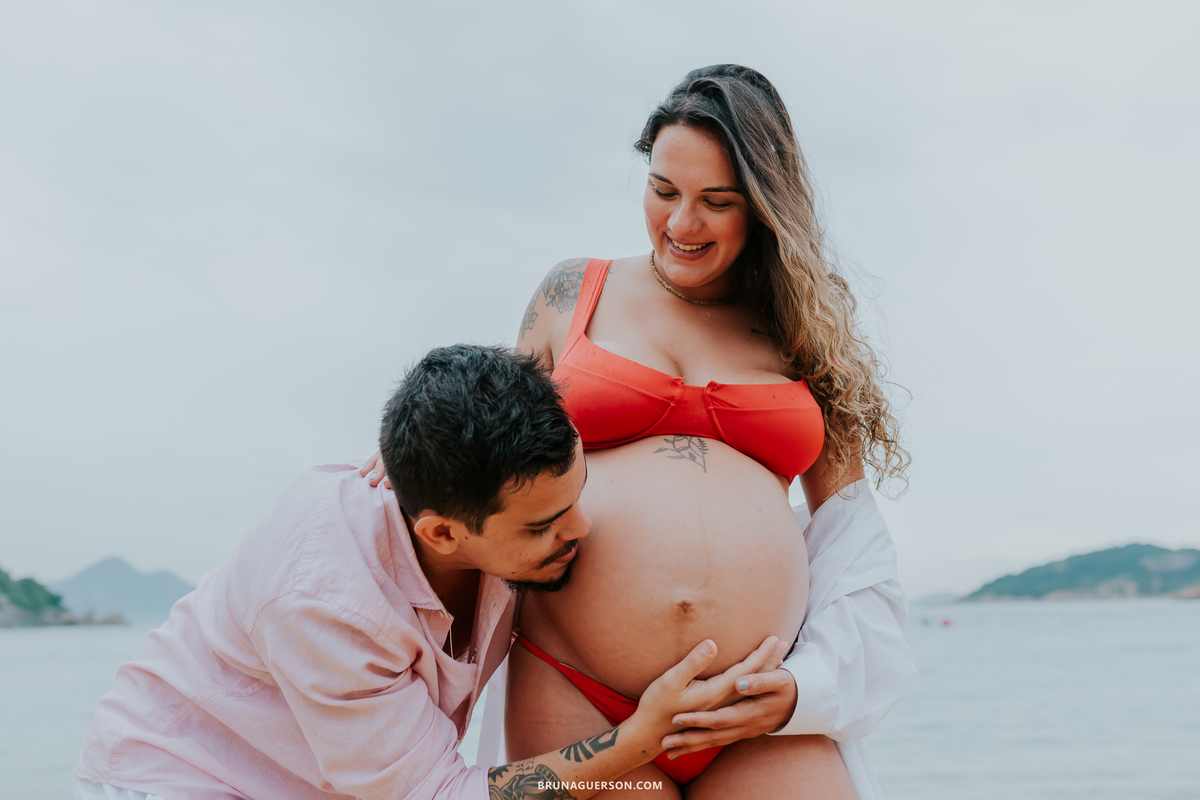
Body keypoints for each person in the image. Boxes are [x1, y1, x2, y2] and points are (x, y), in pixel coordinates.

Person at [362, 66, 916, 799]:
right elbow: (489, 447)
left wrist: (801, 689)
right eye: (663, 192)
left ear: (763, 204)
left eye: (716, 202)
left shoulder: (803, 332)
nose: (681, 226)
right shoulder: (572, 292)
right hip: (578, 689)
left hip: (753, 705)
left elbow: (854, 544)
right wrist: (419, 456)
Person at [74, 345, 787, 800]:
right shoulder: (325, 603)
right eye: (542, 527)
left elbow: (482, 389)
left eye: (577, 498)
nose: (581, 530)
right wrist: (635, 742)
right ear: (442, 531)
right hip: (180, 778)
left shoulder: (467, 488)